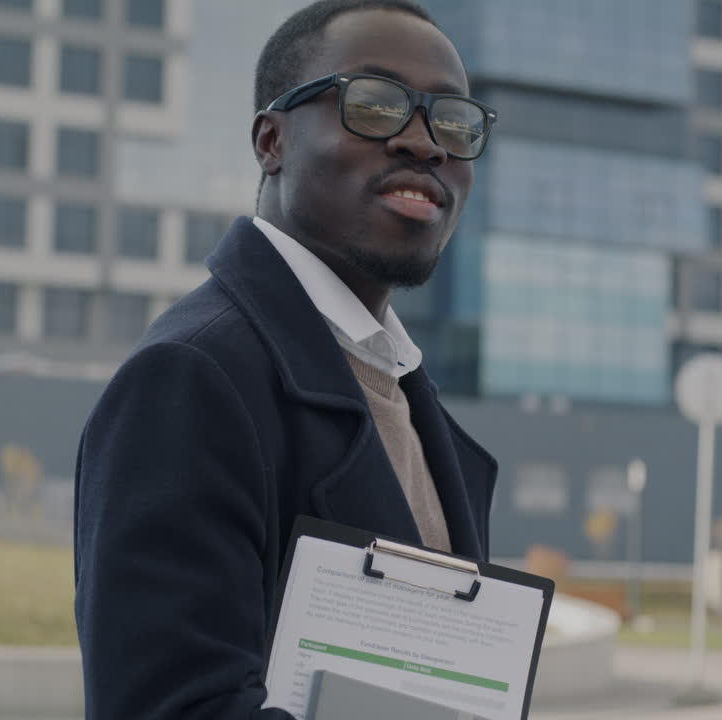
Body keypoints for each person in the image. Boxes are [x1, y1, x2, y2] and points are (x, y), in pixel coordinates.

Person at [73, 1, 498, 717]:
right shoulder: (191, 379)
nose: (426, 145)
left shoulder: (402, 393)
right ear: (271, 140)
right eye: (374, 104)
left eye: (452, 121)